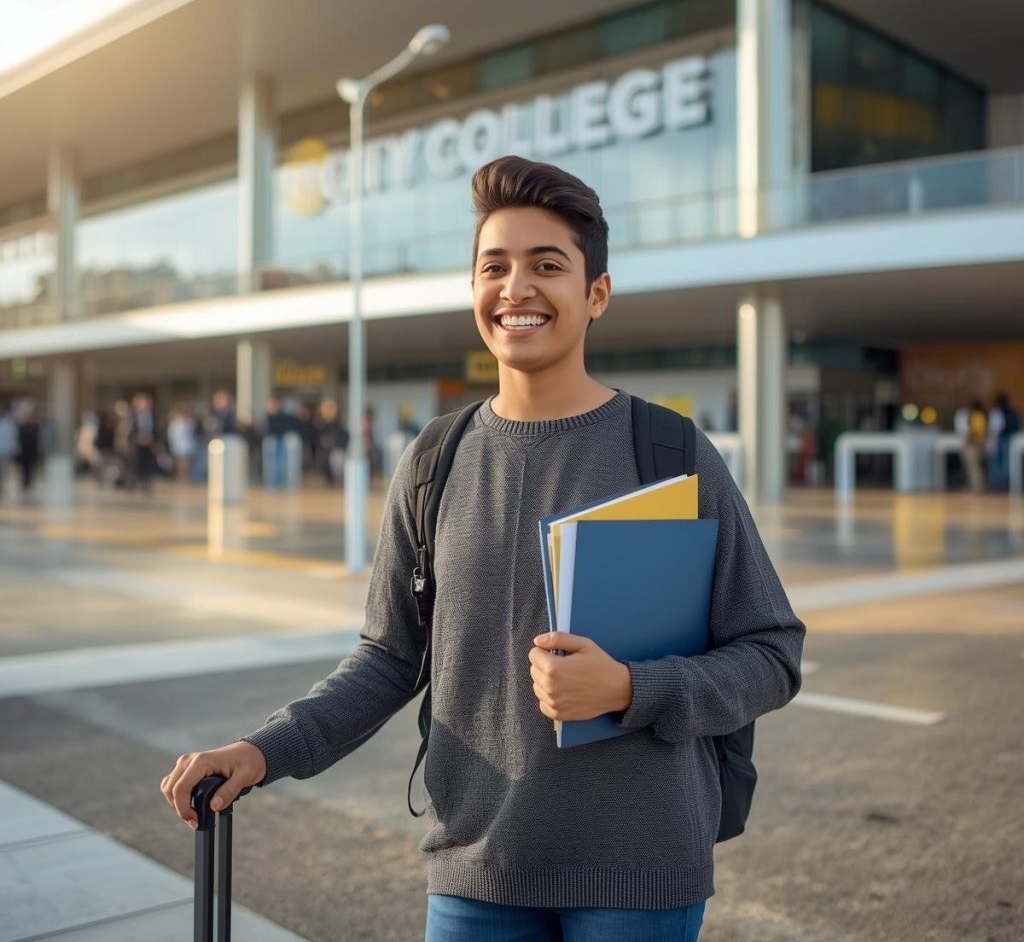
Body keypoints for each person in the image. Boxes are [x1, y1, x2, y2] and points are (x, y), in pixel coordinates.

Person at [161, 156, 805, 942]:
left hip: (639, 874)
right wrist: (264, 750)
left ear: (595, 294)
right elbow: (390, 658)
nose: (516, 288)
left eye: (547, 266)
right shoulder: (436, 460)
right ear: (473, 290)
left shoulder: (668, 451)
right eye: (494, 266)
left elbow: (772, 651)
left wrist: (634, 687)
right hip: (476, 869)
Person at [954, 399, 988, 493]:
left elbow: (974, 432)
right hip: (978, 443)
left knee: (973, 467)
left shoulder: (976, 416)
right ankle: (975, 486)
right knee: (975, 466)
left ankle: (977, 487)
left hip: (974, 444)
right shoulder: (982, 415)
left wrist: (967, 442)